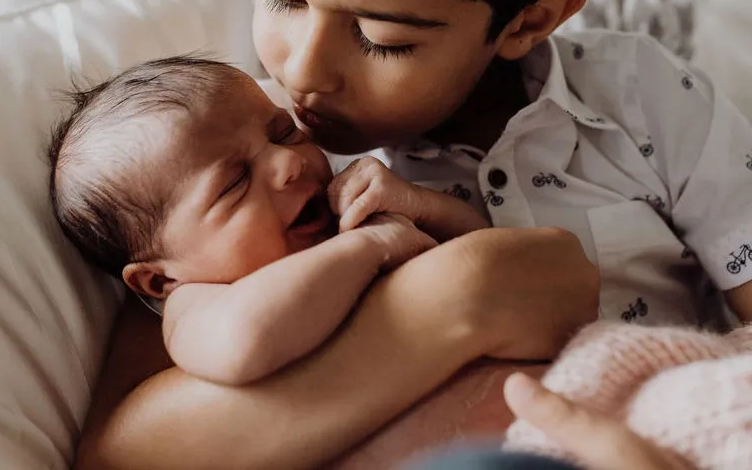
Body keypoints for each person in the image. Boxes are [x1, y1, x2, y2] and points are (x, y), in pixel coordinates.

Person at [70, 0, 752, 468]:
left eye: (382, 38)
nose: (304, 72)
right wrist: (458, 297)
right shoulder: (235, 149)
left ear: (531, 21)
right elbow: (127, 453)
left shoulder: (649, 102)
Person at [49, 56, 485, 386]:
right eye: (235, 182)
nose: (288, 163)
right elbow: (244, 344)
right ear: (159, 280)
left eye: (282, 134)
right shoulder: (199, 301)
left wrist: (419, 205)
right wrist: (371, 247)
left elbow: (487, 246)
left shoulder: (349, 215)